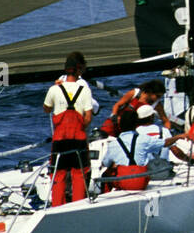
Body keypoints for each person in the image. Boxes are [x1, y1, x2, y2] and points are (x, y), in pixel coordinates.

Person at [44, 51, 95, 206]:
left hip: (60, 139)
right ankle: (77, 206)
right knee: (79, 174)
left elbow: (47, 109)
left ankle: (56, 207)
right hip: (78, 138)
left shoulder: (54, 89)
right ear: (80, 70)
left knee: (58, 174)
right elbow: (88, 118)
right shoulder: (85, 90)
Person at [100, 79, 167, 136]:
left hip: (134, 130)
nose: (159, 99)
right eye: (158, 96)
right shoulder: (134, 93)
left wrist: (166, 133)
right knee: (101, 135)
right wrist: (114, 115)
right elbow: (117, 105)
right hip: (118, 123)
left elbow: (166, 121)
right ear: (150, 92)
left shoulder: (157, 105)